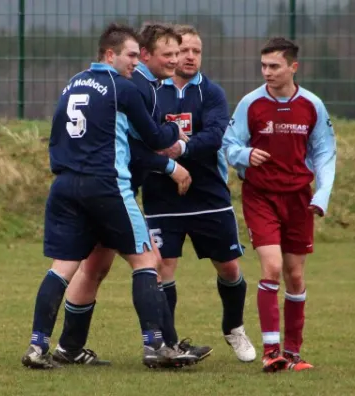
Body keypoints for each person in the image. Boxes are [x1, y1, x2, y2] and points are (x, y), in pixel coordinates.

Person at [21, 22, 190, 370]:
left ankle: (39, 347)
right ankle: (155, 346)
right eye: (130, 55)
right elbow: (157, 138)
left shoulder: (72, 83)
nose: (135, 63)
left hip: (66, 186)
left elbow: (56, 135)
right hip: (106, 185)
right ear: (109, 54)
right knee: (145, 262)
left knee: (63, 268)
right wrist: (177, 129)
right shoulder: (121, 87)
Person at [222, 37, 336, 373]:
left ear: (293, 67)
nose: (267, 72)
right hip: (261, 196)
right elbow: (229, 144)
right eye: (264, 66)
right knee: (271, 268)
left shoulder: (312, 105)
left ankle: (293, 353)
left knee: (295, 276)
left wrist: (322, 194)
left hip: (299, 198)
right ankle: (272, 352)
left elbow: (325, 152)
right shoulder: (251, 104)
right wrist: (245, 155)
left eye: (274, 66)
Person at [144, 24, 256, 363]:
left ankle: (233, 327)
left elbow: (214, 135)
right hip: (161, 196)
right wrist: (162, 160)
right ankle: (169, 343)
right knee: (163, 266)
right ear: (171, 54)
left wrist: (177, 150)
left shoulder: (213, 93)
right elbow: (142, 135)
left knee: (229, 268)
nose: (190, 57)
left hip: (208, 194)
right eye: (183, 51)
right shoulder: (151, 91)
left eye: (196, 51)